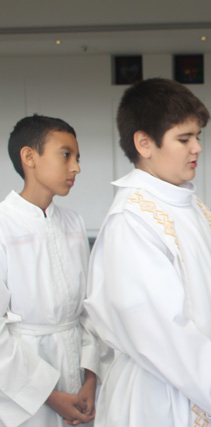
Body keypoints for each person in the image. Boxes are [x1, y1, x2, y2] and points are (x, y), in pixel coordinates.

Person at [83, 78, 211, 427]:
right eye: (184, 139)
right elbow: (157, 334)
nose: (197, 148)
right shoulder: (132, 221)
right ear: (144, 143)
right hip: (158, 394)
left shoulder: (195, 208)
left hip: (206, 378)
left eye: (197, 137)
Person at [0, 115, 110, 426]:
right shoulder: (4, 224)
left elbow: (89, 309)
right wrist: (47, 394)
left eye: (78, 158)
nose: (76, 168)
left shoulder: (73, 223)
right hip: (22, 385)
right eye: (65, 155)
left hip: (79, 376)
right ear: (29, 157)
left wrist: (91, 377)